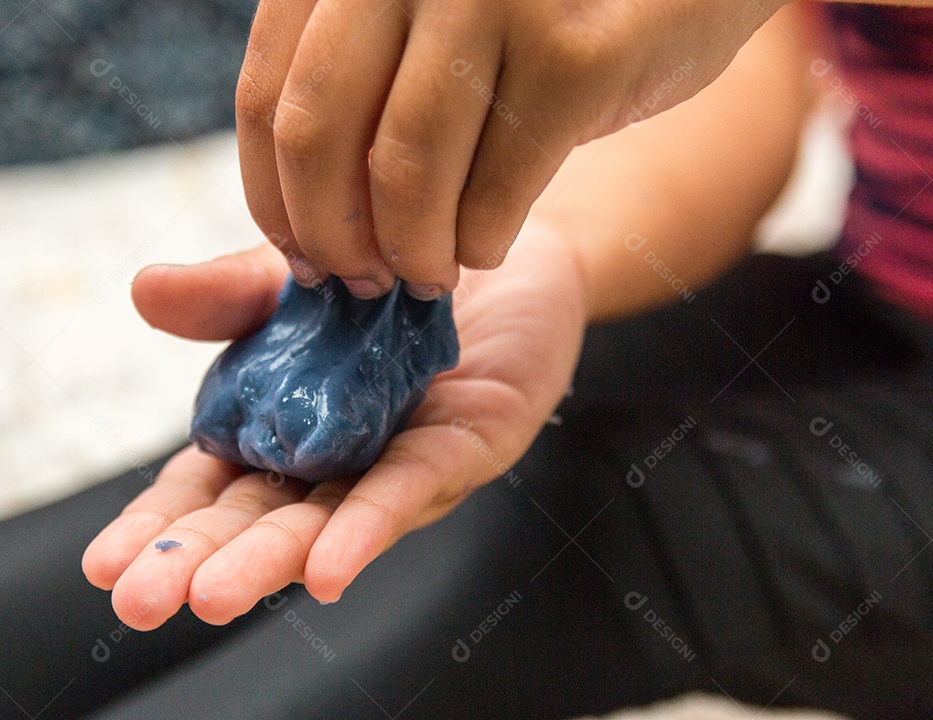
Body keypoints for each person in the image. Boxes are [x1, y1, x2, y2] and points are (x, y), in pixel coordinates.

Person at [75, 0, 933, 715]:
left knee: (531, 533)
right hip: (872, 295)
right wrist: (539, 246)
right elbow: (738, 73)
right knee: (263, 512)